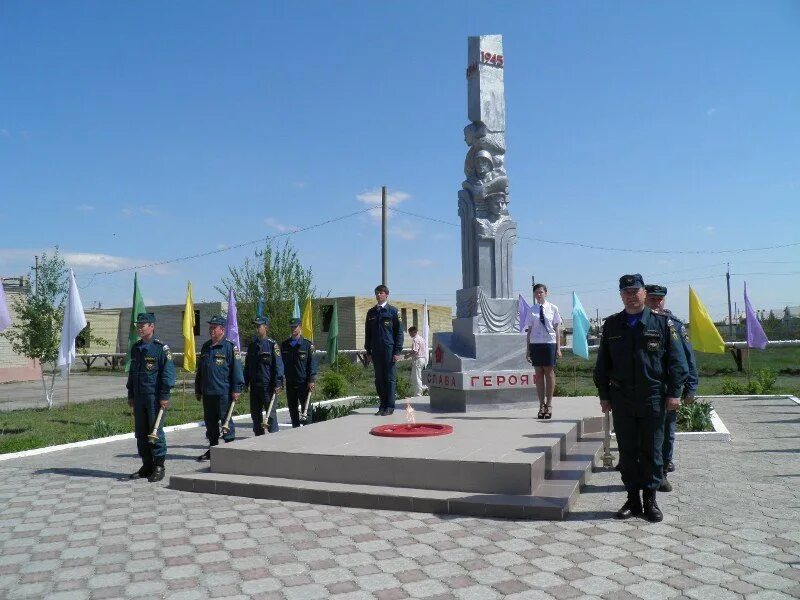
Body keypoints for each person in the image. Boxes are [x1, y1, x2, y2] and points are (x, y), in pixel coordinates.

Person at [594, 274, 689, 522]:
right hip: (622, 398)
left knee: (652, 451)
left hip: (653, 397)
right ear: (621, 295)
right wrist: (604, 394)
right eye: (626, 292)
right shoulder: (613, 325)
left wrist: (674, 393)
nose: (631, 296)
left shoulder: (663, 324)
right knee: (627, 452)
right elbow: (602, 364)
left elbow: (678, 363)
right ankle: (632, 500)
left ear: (644, 293)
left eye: (635, 291)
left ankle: (650, 501)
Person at [645, 284, 699, 492]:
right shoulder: (637, 323)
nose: (656, 302)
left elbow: (687, 357)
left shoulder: (673, 324)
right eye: (652, 299)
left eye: (659, 299)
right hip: (644, 389)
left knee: (666, 431)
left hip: (667, 388)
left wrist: (690, 387)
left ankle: (664, 466)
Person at [126, 312, 175, 482]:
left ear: (152, 326)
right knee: (140, 433)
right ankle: (146, 465)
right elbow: (132, 374)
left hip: (154, 398)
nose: (139, 327)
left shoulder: (161, 349)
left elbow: (167, 374)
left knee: (155, 433)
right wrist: (131, 393)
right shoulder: (136, 348)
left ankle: (159, 466)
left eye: (143, 325)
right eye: (138, 325)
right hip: (139, 398)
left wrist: (165, 395)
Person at [195, 315, 244, 461]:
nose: (211, 330)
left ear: (222, 329)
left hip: (224, 393)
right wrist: (198, 389)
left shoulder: (229, 347)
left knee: (226, 422)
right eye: (210, 327)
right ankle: (213, 449)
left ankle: (229, 451)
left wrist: (237, 389)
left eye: (214, 327)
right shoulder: (205, 346)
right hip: (208, 392)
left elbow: (237, 369)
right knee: (210, 424)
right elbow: (201, 371)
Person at [365, 284, 403, 416]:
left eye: (381, 293)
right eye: (377, 293)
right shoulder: (371, 312)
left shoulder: (392, 311)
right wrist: (368, 351)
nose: (378, 295)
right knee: (379, 379)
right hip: (376, 350)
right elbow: (368, 333)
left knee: (390, 379)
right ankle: (382, 405)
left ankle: (390, 407)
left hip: (389, 350)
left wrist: (397, 351)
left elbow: (399, 333)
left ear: (387, 294)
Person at [525, 283, 563, 419]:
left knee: (549, 373)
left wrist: (558, 348)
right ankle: (541, 405)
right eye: (536, 293)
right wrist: (528, 349)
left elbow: (557, 329)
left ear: (546, 293)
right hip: (536, 344)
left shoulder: (553, 308)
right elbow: (529, 331)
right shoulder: (532, 310)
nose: (538, 295)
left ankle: (549, 404)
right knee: (539, 374)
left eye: (540, 292)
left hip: (549, 343)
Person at [244, 316, 284, 435]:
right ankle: (259, 441)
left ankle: (274, 444)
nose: (257, 329)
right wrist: (245, 382)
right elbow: (247, 366)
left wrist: (278, 383)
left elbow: (279, 366)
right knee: (255, 417)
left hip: (268, 387)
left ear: (266, 327)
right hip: (255, 387)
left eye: (259, 326)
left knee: (270, 416)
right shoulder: (252, 346)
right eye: (256, 326)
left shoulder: (272, 345)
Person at [281, 317, 317, 427]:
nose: (293, 329)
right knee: (292, 409)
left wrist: (311, 380)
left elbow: (312, 363)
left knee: (306, 409)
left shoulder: (307, 345)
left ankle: (308, 431)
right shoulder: (285, 345)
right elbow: (280, 364)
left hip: (303, 383)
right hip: (290, 382)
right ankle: (295, 429)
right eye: (291, 327)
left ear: (300, 327)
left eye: (295, 327)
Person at [407, 326, 428, 397]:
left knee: (417, 377)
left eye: (410, 333)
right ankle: (421, 390)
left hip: (418, 359)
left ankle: (418, 394)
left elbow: (415, 351)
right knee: (417, 376)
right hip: (423, 359)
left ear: (413, 332)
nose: (409, 335)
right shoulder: (421, 338)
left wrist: (408, 355)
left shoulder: (415, 339)